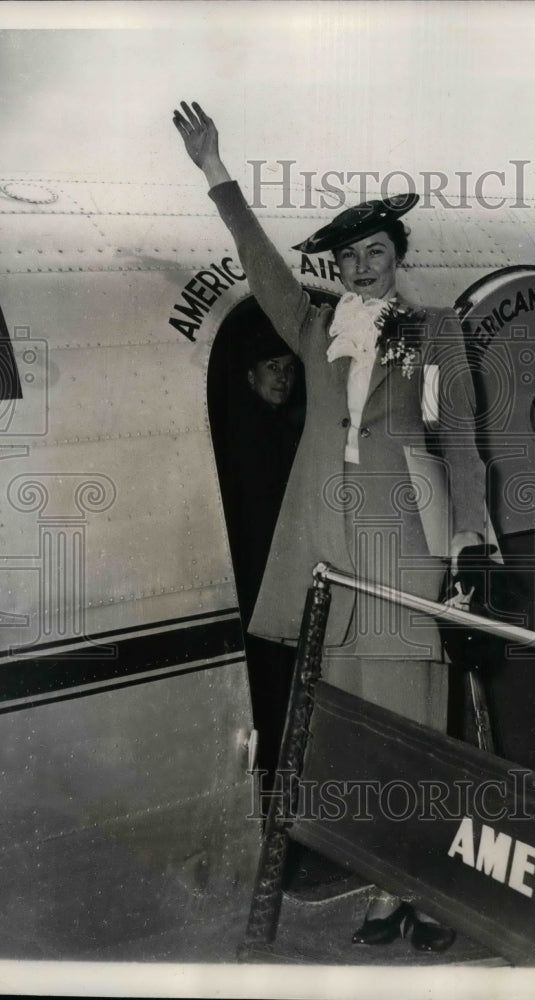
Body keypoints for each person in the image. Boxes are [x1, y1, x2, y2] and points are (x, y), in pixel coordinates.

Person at [174, 101, 486, 953]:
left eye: (374, 254)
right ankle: (386, 891)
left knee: (414, 739)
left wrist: (468, 542)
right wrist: (215, 170)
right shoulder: (314, 328)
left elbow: (459, 441)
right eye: (348, 258)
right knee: (352, 739)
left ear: (397, 258)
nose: (361, 269)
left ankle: (434, 894)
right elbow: (262, 264)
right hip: (328, 564)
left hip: (402, 557)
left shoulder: (434, 332)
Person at [214, 319, 302, 793]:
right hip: (264, 589)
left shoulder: (269, 426)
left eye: (289, 367)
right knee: (274, 692)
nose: (283, 377)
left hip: (272, 587)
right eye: (272, 367)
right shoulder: (251, 434)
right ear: (251, 376)